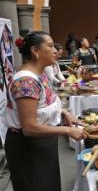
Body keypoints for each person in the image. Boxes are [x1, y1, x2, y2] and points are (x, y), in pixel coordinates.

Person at [4, 31, 87, 191]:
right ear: (35, 51)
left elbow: (45, 103)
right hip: (28, 148)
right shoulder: (26, 81)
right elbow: (29, 127)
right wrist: (67, 130)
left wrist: (63, 113)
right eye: (50, 46)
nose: (56, 50)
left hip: (43, 141)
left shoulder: (40, 73)